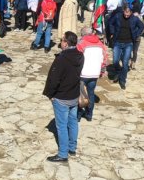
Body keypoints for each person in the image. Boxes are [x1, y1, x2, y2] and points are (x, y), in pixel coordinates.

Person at [42, 31, 84, 163]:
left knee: (61, 126)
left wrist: (50, 94)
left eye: (62, 40)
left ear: (65, 43)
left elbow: (54, 79)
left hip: (62, 96)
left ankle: (63, 154)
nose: (60, 42)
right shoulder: (80, 56)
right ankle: (72, 148)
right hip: (74, 95)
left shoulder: (61, 59)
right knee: (73, 122)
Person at [107, 5, 143, 90]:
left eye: (128, 14)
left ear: (131, 12)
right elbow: (110, 23)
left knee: (125, 62)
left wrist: (136, 34)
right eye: (125, 13)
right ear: (123, 11)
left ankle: (122, 80)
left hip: (128, 43)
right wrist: (112, 32)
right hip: (117, 42)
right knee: (115, 61)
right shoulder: (117, 16)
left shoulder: (134, 19)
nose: (126, 15)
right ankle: (119, 72)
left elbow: (141, 26)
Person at [77, 28, 107, 121]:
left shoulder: (81, 43)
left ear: (83, 35)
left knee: (80, 94)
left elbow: (77, 58)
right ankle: (89, 114)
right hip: (94, 73)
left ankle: (78, 115)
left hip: (83, 73)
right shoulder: (100, 44)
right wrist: (102, 71)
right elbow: (104, 58)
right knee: (91, 94)